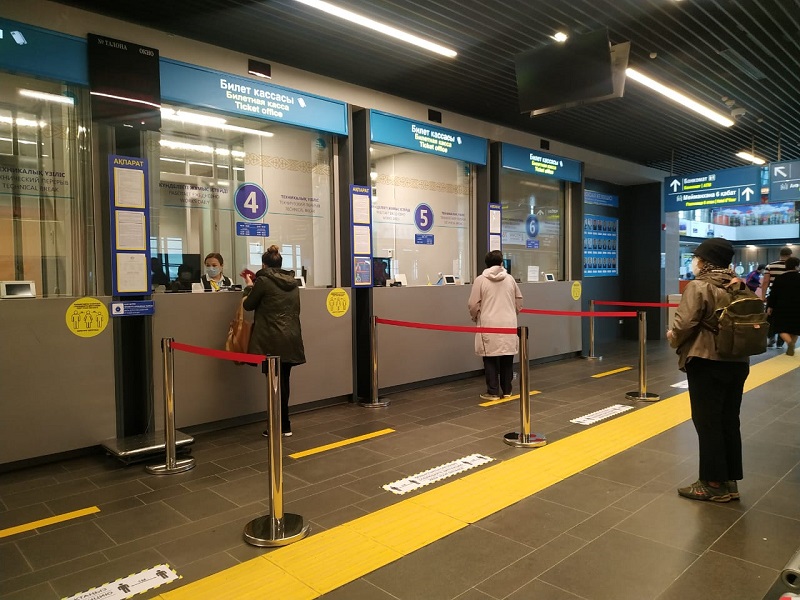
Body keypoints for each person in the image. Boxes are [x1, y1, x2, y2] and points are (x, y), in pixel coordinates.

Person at [667, 238, 750, 503]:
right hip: (738, 361)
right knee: (729, 420)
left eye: (697, 258)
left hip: (707, 359)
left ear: (705, 262)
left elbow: (684, 324)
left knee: (708, 421)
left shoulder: (700, 286)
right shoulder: (739, 284)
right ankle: (729, 481)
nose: (695, 262)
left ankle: (712, 484)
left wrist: (673, 338)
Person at [242, 245, 305, 437]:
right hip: (291, 337)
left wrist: (248, 286)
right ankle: (285, 425)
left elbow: (248, 305)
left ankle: (276, 426)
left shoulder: (263, 281)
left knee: (274, 384)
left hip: (271, 339)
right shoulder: (292, 282)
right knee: (284, 381)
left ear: (264, 265)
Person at [468, 250, 523, 401]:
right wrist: (513, 312)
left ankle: (492, 391)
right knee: (507, 357)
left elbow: (473, 304)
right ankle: (507, 390)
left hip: (488, 323)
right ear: (501, 263)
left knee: (490, 357)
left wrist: (475, 316)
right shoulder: (510, 279)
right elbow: (519, 299)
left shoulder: (480, 280)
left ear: (486, 264)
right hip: (508, 324)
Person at [766, 256, 800, 356]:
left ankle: (789, 343)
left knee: (781, 328)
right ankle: (791, 344)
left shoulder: (779, 278)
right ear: (796, 266)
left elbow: (773, 294)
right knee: (796, 328)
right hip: (798, 307)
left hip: (782, 306)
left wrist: (770, 306)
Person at [762, 247, 793, 348]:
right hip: (788, 297)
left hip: (772, 295)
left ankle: (771, 338)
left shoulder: (770, 266)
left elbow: (765, 282)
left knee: (770, 318)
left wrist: (763, 296)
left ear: (780, 254)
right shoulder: (792, 267)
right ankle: (780, 342)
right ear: (790, 255)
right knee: (784, 318)